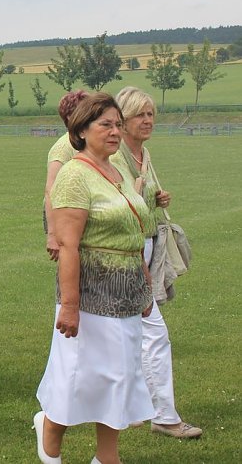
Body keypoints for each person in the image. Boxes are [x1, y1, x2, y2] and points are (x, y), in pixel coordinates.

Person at [35, 92, 154, 464]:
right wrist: (69, 307)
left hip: (125, 296)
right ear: (82, 130)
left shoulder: (116, 171)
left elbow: (134, 235)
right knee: (77, 378)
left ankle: (107, 458)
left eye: (118, 124)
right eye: (106, 124)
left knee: (120, 378)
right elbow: (68, 247)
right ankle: (50, 438)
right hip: (90, 299)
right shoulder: (74, 174)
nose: (115, 131)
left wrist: (145, 285)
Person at [112, 86, 202, 439]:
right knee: (153, 334)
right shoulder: (116, 155)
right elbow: (118, 208)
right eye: (140, 115)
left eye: (151, 114)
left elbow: (141, 200)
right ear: (123, 119)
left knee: (127, 333)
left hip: (145, 247)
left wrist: (157, 196)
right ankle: (163, 415)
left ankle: (128, 407)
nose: (148, 120)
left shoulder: (143, 153)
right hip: (127, 253)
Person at [44, 90, 88, 261]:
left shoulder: (87, 142)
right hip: (65, 216)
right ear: (70, 117)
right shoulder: (63, 147)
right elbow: (50, 190)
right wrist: (53, 234)